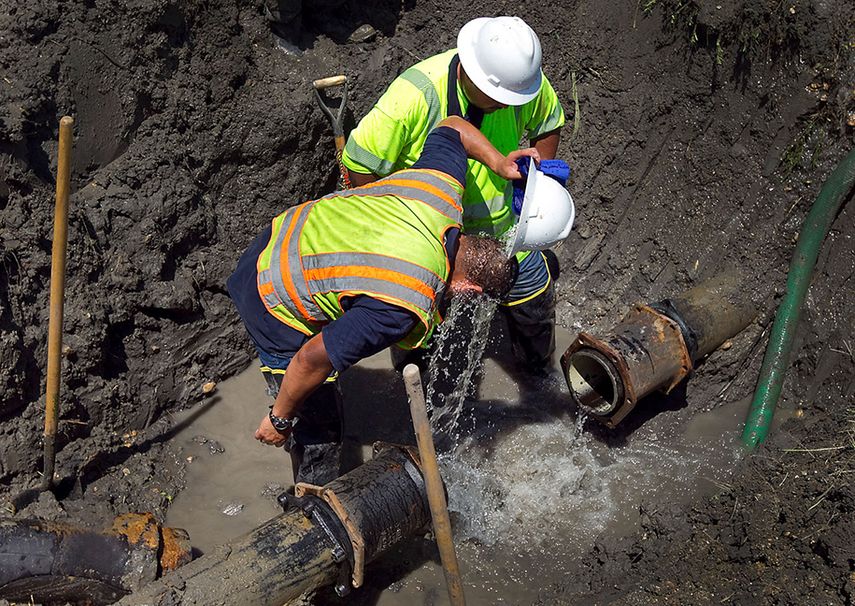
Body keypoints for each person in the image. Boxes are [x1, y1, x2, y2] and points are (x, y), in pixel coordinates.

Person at [227, 116, 534, 485]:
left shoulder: (441, 188)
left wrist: (499, 163)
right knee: (319, 423)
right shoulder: (403, 303)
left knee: (331, 347)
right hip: (270, 292)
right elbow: (310, 358)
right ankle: (312, 506)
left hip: (289, 231)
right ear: (473, 289)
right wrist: (279, 418)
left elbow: (452, 127)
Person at [341, 16, 567, 373]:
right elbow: (359, 160)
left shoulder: (518, 81)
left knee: (533, 297)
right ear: (469, 72)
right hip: (433, 243)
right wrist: (393, 231)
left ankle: (539, 374)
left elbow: (549, 121)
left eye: (512, 99)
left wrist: (537, 187)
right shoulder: (414, 97)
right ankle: (414, 379)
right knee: (415, 323)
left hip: (505, 231)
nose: (507, 106)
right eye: (498, 99)